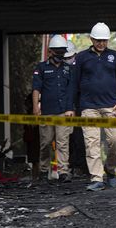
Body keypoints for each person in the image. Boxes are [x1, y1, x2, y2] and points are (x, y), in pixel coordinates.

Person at [70, 22, 116, 191]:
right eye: (98, 40)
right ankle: (97, 178)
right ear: (91, 39)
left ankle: (110, 170)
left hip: (112, 106)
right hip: (88, 107)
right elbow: (74, 83)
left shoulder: (115, 56)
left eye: (104, 40)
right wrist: (71, 107)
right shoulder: (81, 57)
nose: (101, 43)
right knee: (92, 143)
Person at [32, 35, 75, 183]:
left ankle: (63, 171)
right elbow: (36, 88)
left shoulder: (68, 69)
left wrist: (71, 109)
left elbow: (71, 91)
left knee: (63, 143)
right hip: (46, 112)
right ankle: (44, 170)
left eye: (62, 52)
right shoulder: (41, 67)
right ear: (50, 51)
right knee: (45, 142)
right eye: (57, 52)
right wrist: (35, 107)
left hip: (63, 111)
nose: (59, 55)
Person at [63, 41, 88, 177]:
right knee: (67, 140)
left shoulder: (81, 68)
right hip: (64, 109)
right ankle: (70, 167)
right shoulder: (60, 70)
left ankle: (81, 167)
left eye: (70, 57)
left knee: (80, 139)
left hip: (79, 108)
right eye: (65, 58)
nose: (67, 60)